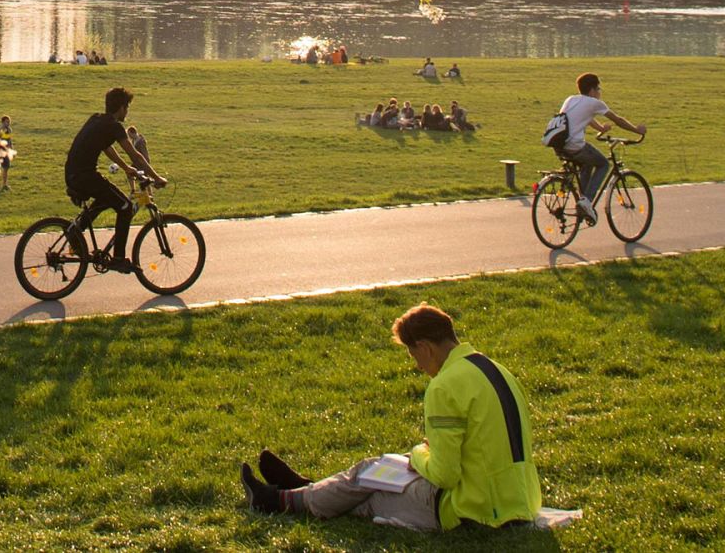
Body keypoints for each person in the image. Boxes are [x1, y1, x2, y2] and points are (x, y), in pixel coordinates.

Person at [239, 303, 542, 532]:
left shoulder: (445, 386)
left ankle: (281, 500)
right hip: (519, 500)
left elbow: (444, 475)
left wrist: (420, 454)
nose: (418, 367)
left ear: (423, 347)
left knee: (371, 488)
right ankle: (305, 491)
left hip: (473, 510)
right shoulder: (497, 370)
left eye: (414, 356)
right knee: (373, 473)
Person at [64, 87, 166, 271]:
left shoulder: (97, 119)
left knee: (106, 197)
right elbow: (135, 155)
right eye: (127, 107)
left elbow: (107, 148)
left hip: (74, 174)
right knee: (125, 207)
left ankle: (75, 231)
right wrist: (156, 177)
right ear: (120, 108)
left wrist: (127, 168)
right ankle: (118, 258)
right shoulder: (114, 126)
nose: (127, 112)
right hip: (85, 176)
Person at [555, 72, 645, 226]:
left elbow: (584, 117)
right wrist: (637, 130)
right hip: (575, 146)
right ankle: (586, 201)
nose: (599, 92)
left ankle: (583, 203)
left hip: (559, 145)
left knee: (588, 163)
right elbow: (618, 120)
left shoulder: (571, 99)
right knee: (603, 164)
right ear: (592, 90)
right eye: (598, 89)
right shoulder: (595, 103)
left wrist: (601, 128)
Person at [0, 115, 14, 192]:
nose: (8, 123)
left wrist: (11, 148)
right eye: (7, 122)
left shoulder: (9, 130)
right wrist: (2, 127)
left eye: (9, 122)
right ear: (3, 122)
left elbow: (9, 140)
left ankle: (4, 184)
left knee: (6, 168)